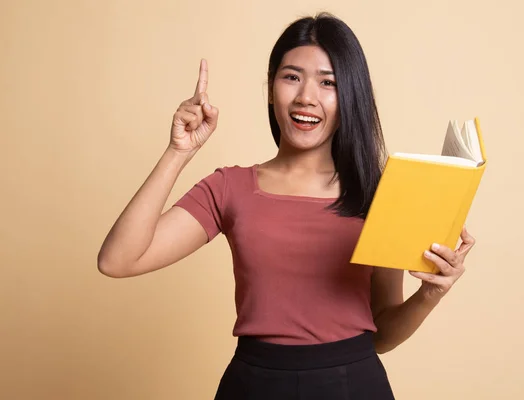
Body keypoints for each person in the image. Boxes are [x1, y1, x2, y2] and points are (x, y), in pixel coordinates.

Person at [97, 12, 476, 400]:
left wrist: (431, 293)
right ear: (270, 88)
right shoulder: (229, 187)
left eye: (328, 82)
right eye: (291, 77)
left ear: (350, 96)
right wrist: (179, 152)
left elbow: (383, 334)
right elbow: (118, 260)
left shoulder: (379, 195)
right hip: (252, 385)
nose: (306, 97)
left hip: (354, 387)